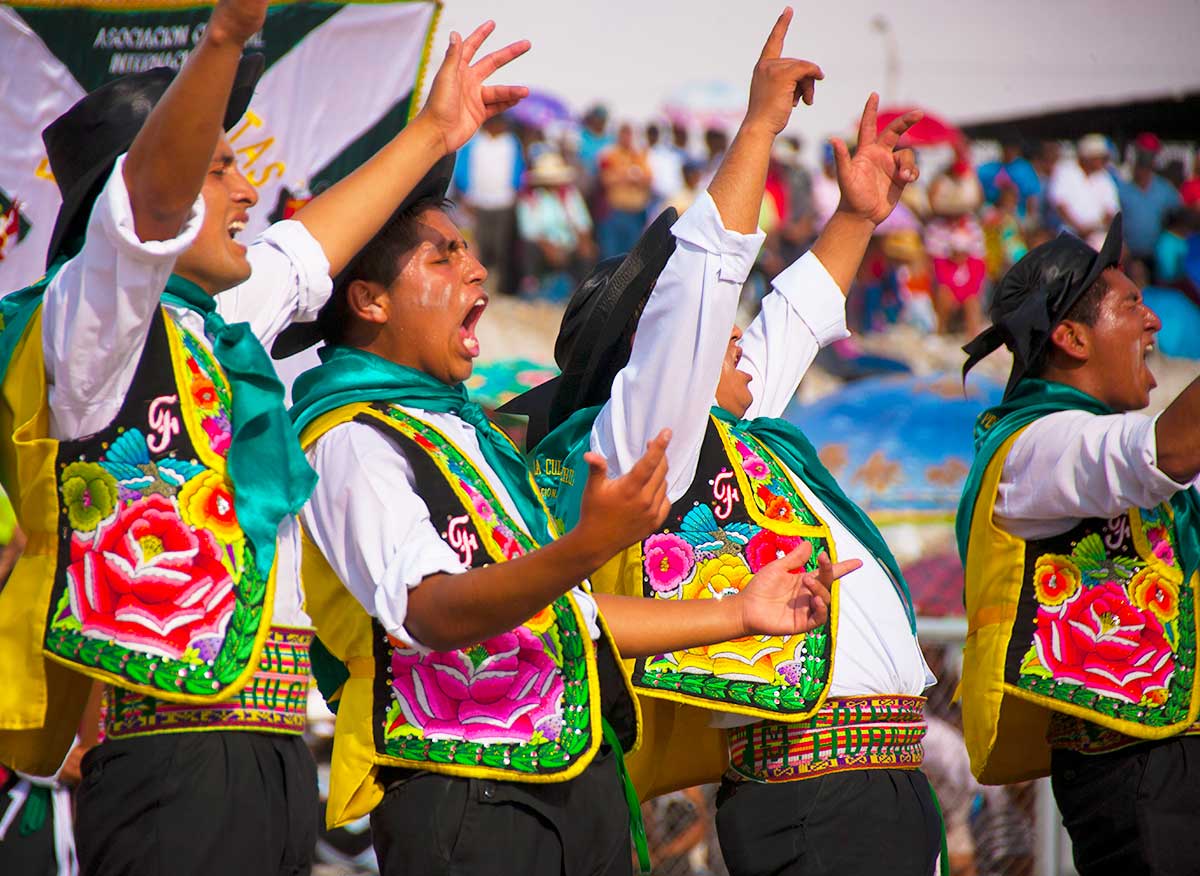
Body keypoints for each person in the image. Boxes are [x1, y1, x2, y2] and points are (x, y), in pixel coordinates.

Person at [274, 65, 847, 876]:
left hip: (571, 785)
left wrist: (737, 613)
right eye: (443, 258)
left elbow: (566, 617)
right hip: (470, 797)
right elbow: (430, 612)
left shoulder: (461, 436)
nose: (475, 271)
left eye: (470, 252)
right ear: (368, 301)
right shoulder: (349, 438)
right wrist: (585, 545)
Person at [0, 4, 531, 873]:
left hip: (272, 755)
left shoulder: (213, 324)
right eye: (219, 170)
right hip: (178, 764)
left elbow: (307, 251)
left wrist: (435, 133)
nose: (248, 190)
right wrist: (218, 42)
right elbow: (146, 215)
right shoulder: (90, 329)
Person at [510, 12, 940, 876]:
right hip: (816, 798)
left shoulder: (725, 439)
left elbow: (793, 319)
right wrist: (755, 131)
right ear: (658, 357)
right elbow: (703, 292)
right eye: (716, 334)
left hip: (877, 787)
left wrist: (856, 216)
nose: (739, 337)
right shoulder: (643, 439)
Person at [957, 213, 1200, 874]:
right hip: (1139, 766)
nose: (1153, 323)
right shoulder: (1035, 445)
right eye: (1132, 305)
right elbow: (1169, 448)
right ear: (1069, 337)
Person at [452, 113, 525, 295]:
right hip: (478, 203)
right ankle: (479, 284)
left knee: (501, 245)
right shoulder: (475, 143)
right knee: (481, 244)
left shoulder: (511, 143)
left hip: (503, 202)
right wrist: (466, 195)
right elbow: (461, 170)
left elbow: (518, 169)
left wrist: (515, 190)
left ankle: (499, 286)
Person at [516, 150, 597, 295]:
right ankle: (532, 286)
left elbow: (583, 223)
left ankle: (583, 292)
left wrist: (584, 243)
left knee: (588, 251)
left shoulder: (570, 195)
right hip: (543, 245)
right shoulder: (530, 199)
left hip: (569, 244)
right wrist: (549, 248)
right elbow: (529, 231)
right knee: (530, 249)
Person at [1118, 148, 1181, 274]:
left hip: (1157, 253)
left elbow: (1178, 213)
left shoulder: (1164, 189)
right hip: (1130, 254)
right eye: (1140, 166)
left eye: (1146, 166)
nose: (1142, 170)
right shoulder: (1123, 190)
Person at [1050, 134, 1118, 249]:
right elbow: (1060, 205)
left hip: (1097, 234)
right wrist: (1080, 229)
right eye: (1099, 157)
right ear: (1088, 157)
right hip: (1069, 234)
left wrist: (1094, 228)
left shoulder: (1104, 177)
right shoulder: (1065, 171)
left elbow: (1111, 210)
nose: (1103, 162)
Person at [597, 122, 654, 259]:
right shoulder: (610, 154)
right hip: (616, 211)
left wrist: (627, 176)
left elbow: (648, 178)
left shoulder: (639, 155)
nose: (627, 138)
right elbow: (606, 179)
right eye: (624, 133)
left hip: (635, 213)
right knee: (612, 255)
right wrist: (628, 175)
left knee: (631, 256)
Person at [977, 139, 1040, 220]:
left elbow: (1032, 196)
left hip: (1019, 217)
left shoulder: (1025, 169)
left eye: (1013, 148)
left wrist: (1031, 219)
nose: (1009, 151)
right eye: (1007, 147)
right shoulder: (987, 169)